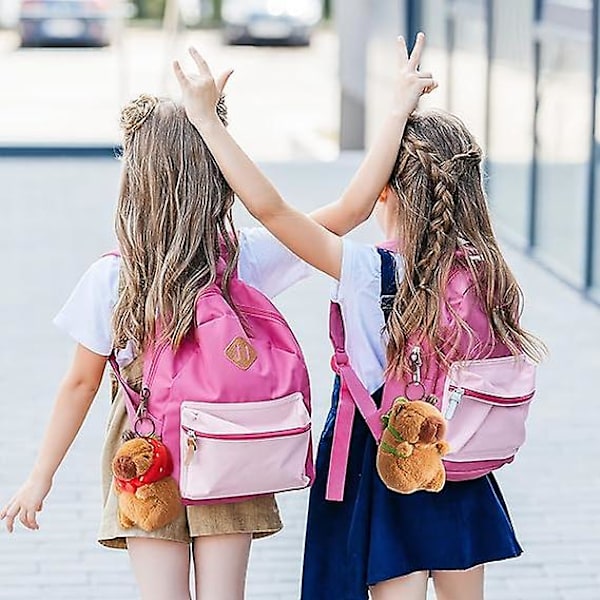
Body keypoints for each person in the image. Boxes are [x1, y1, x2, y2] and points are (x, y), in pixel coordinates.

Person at [0, 36, 435, 600]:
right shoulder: (245, 258)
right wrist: (397, 111)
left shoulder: (113, 279)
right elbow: (351, 209)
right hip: (231, 448)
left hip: (146, 459)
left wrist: (41, 476)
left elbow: (79, 383)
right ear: (218, 177)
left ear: (138, 184)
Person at [171, 36, 544, 600]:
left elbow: (271, 211)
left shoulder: (369, 271)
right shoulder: (487, 268)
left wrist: (207, 120)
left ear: (386, 191)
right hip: (461, 460)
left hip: (383, 457)